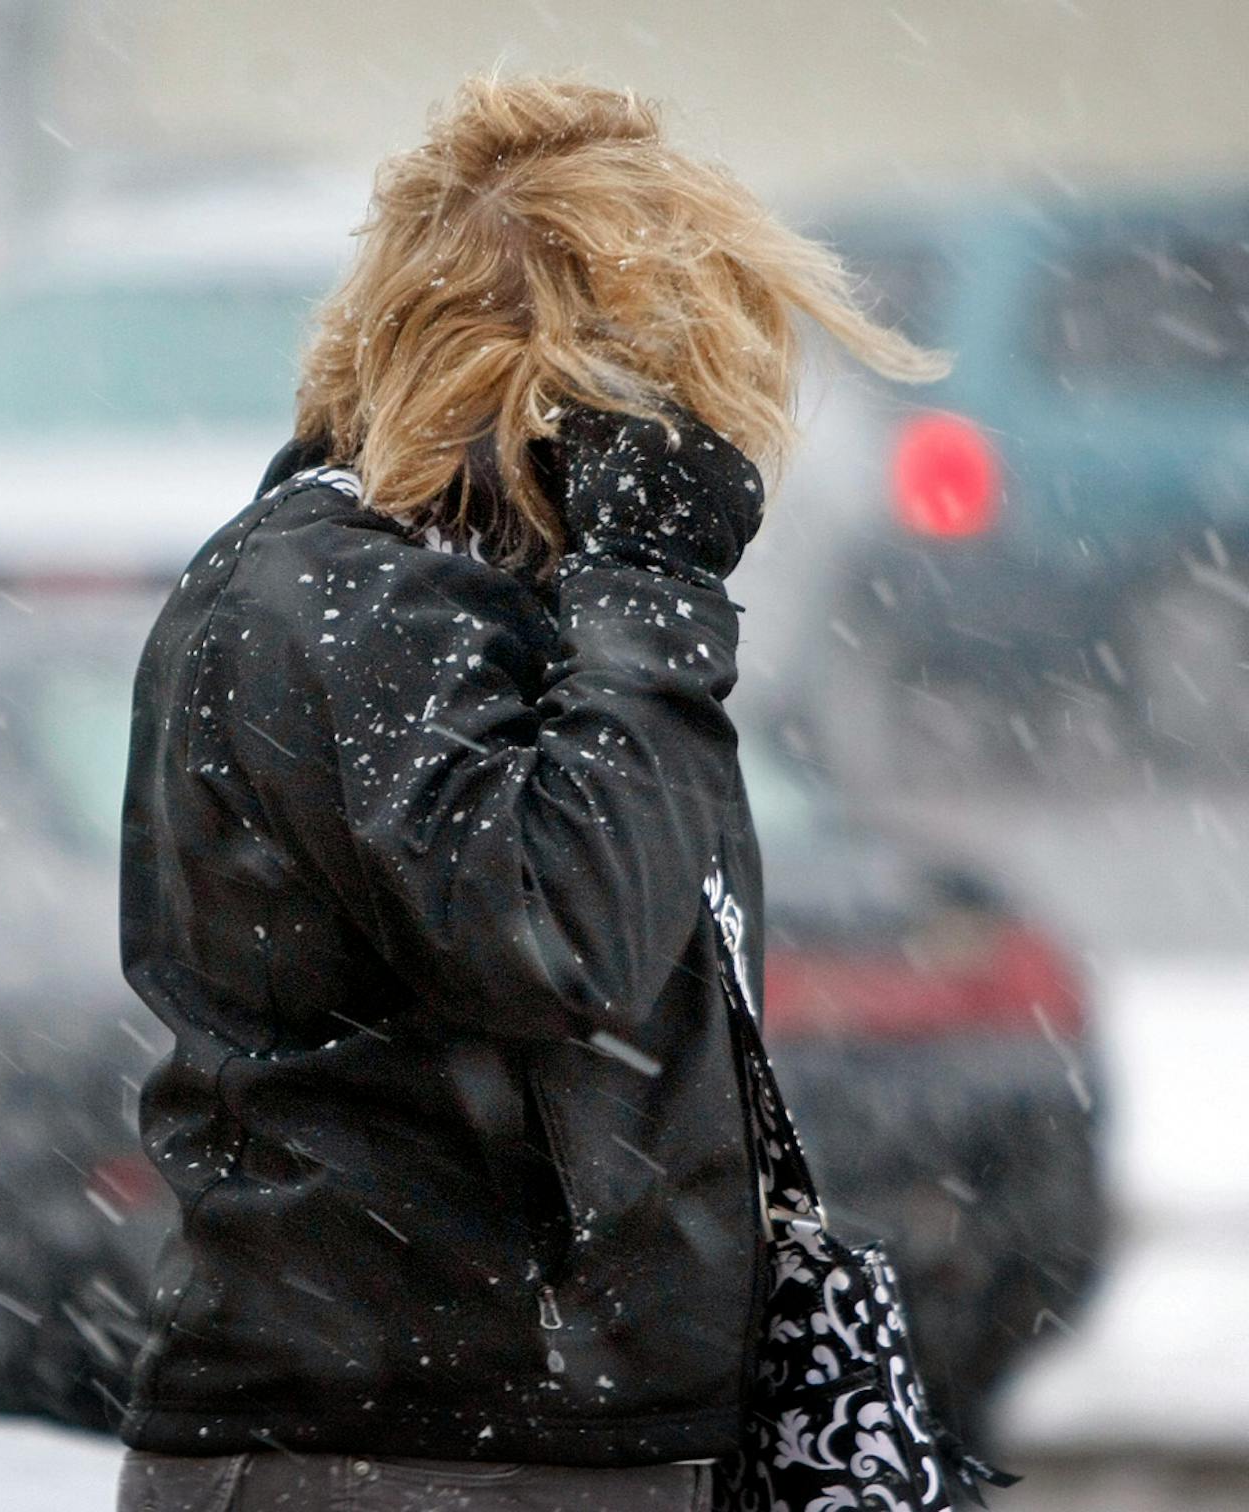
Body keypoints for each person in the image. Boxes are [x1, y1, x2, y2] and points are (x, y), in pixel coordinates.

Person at [116, 78, 944, 1511]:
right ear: (585, 384)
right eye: (679, 381)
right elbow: (561, 936)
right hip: (406, 1454)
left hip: (513, 1445)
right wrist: (656, 601)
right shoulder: (341, 601)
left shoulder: (511, 616)